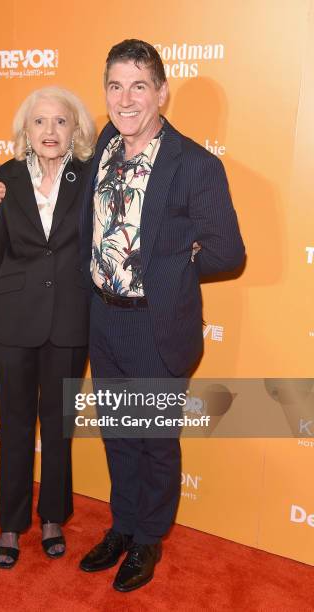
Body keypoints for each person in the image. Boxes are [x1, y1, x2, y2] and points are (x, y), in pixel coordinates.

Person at [77, 40, 245, 592]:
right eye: (115, 86)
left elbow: (227, 251)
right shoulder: (105, 141)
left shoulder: (196, 165)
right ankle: (123, 526)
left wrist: (174, 265)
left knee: (153, 438)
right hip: (104, 321)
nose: (125, 100)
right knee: (119, 434)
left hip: (156, 325)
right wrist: (7, 179)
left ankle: (149, 540)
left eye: (139, 86)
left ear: (161, 92)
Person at [0, 86, 95, 569]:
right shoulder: (5, 178)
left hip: (70, 318)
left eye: (60, 121)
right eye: (40, 122)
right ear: (25, 131)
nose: (50, 131)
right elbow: (0, 251)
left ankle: (53, 515)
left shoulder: (91, 177)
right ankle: (11, 523)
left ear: (76, 131)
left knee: (58, 425)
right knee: (13, 423)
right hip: (14, 320)